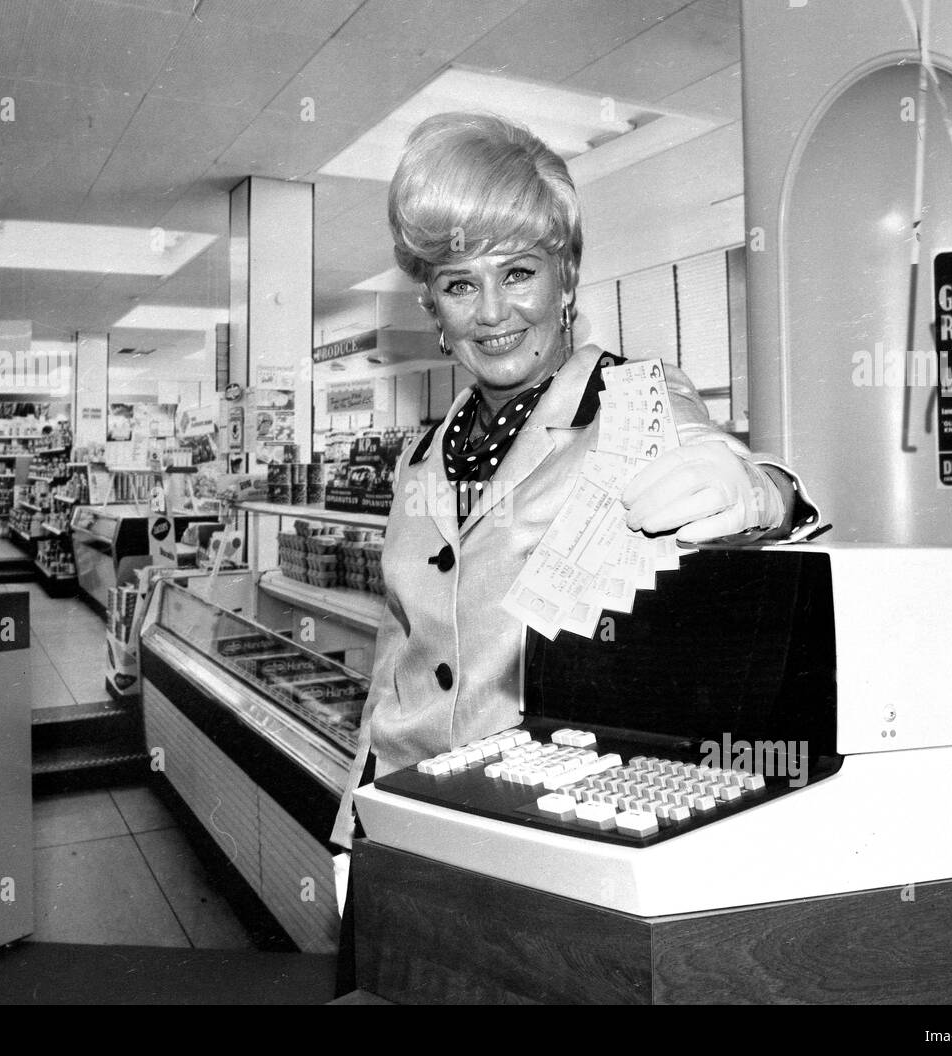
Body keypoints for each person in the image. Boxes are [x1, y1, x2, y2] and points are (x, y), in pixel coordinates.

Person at [331, 112, 820, 983]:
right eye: (458, 283)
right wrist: (350, 830)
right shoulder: (419, 453)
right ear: (430, 305)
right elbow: (396, 658)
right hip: (403, 833)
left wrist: (765, 492)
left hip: (546, 848)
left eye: (518, 273)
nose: (491, 313)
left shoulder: (631, 401)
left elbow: (742, 481)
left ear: (566, 277)